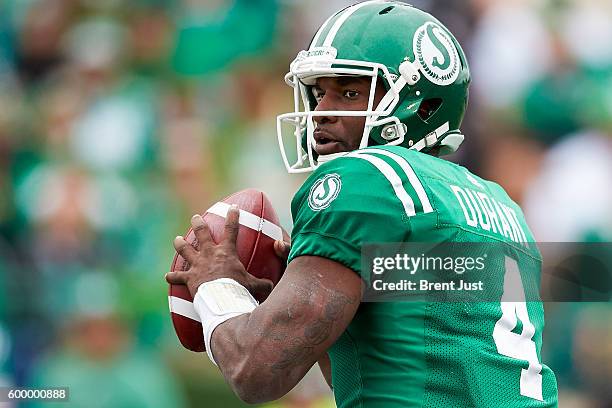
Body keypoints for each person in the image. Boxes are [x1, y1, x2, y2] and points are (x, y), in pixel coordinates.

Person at [165, 1, 559, 406]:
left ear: (422, 105)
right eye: (319, 94)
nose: (320, 113)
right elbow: (375, 365)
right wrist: (302, 282)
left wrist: (217, 284)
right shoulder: (501, 206)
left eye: (349, 92)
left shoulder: (369, 180)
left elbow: (257, 371)